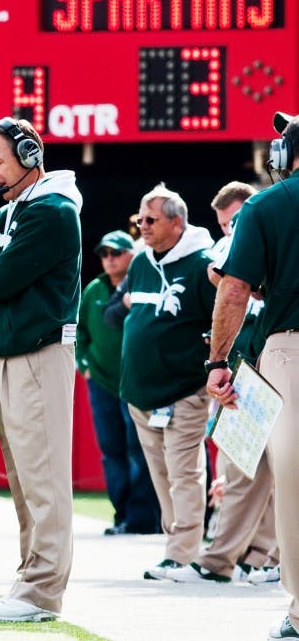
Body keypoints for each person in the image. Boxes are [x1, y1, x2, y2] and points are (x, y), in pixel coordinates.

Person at [0, 116, 82, 623]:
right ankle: (29, 578)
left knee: (44, 480)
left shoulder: (51, 211)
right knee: (25, 479)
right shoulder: (13, 211)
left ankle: (41, 593)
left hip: (38, 355)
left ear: (30, 155)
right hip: (8, 357)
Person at [207, 110, 299, 640]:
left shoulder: (266, 204)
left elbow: (235, 289)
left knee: (294, 488)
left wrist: (219, 362)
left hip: (290, 352)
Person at [168, 179, 278, 584]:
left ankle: (263, 557)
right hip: (250, 362)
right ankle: (244, 558)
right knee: (246, 466)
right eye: (225, 226)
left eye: (235, 222)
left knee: (270, 466)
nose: (231, 232)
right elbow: (222, 276)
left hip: (275, 357)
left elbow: (236, 281)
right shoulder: (228, 242)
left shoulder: (267, 223)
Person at [119, 183, 215, 582]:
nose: (142, 225)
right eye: (140, 218)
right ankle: (175, 549)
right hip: (141, 395)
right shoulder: (141, 261)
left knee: (183, 474)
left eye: (151, 219)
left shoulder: (203, 264)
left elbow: (220, 325)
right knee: (161, 476)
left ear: (177, 223)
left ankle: (184, 554)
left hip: (184, 391)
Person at [76, 230, 160, 536]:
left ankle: (142, 518)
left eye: (115, 253)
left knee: (138, 448)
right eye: (104, 254)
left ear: (130, 255)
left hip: (136, 382)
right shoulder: (94, 290)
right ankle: (121, 514)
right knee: (111, 449)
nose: (109, 259)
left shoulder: (143, 284)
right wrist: (83, 363)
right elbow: (78, 332)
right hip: (100, 380)